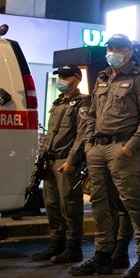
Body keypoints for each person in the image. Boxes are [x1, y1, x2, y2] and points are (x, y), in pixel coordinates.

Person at [70, 34, 140, 278]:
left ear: (129, 50)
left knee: (134, 203)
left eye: (118, 48)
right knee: (101, 204)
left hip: (122, 148)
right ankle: (103, 256)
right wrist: (90, 145)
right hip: (98, 149)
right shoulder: (102, 78)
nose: (113, 52)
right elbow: (92, 114)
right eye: (109, 48)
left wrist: (130, 147)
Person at [30, 65, 88, 264]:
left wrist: (72, 161)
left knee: (69, 204)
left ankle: (73, 247)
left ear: (77, 79)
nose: (61, 80)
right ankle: (57, 244)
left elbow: (82, 135)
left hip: (66, 160)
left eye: (66, 76)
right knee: (52, 204)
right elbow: (50, 135)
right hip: (50, 160)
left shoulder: (82, 103)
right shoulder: (57, 103)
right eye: (60, 76)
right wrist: (41, 158)